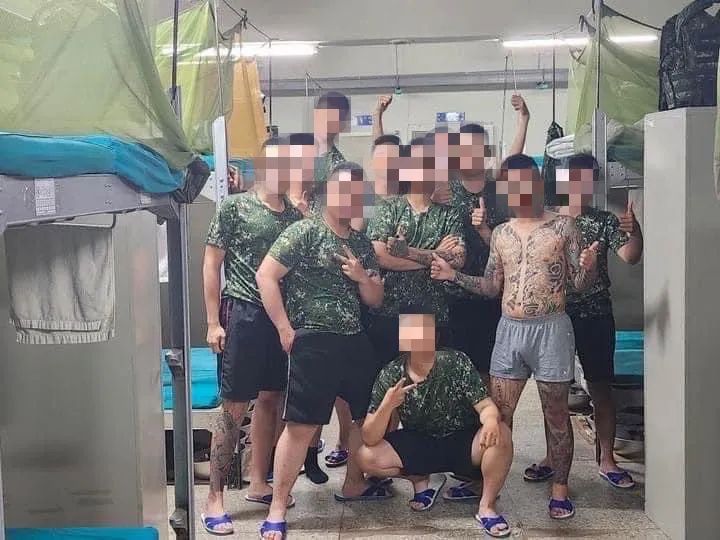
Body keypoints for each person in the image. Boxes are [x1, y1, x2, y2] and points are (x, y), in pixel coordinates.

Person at [430, 153, 599, 520]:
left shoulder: (564, 227)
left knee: (556, 414)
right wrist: (452, 275)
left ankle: (560, 488)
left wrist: (589, 267)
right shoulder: (502, 233)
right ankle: (488, 488)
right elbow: (492, 286)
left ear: (537, 185)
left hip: (552, 330)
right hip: (509, 331)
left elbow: (578, 284)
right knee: (498, 414)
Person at [256, 162, 390, 540]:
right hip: (313, 340)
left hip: (355, 339)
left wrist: (361, 277)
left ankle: (354, 483)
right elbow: (265, 275)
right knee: (301, 426)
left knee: (362, 418)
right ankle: (278, 506)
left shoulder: (361, 244)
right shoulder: (304, 232)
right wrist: (284, 327)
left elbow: (375, 299)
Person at [201, 137, 303, 536]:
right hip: (242, 313)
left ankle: (259, 482)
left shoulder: (293, 216)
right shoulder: (235, 207)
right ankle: (214, 497)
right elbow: (211, 263)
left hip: (280, 318)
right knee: (234, 406)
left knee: (272, 400)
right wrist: (213, 321)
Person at [524, 153, 643, 489]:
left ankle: (607, 460)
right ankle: (552, 458)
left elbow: (631, 256)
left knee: (601, 388)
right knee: (554, 392)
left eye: (587, 178)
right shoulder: (546, 220)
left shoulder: (604, 221)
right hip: (555, 317)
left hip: (595, 315)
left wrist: (635, 231)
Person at [357, 312, 514, 538]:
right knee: (366, 456)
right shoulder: (391, 372)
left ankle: (486, 506)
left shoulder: (455, 362)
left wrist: (490, 420)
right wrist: (387, 406)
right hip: (419, 441)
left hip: (462, 440)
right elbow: (369, 437)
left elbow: (486, 405)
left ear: (435, 336)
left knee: (502, 433)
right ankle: (421, 480)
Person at [440, 96, 531, 382]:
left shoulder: (498, 187)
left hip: (494, 295)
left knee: (493, 373)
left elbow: (513, 160)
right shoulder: (444, 189)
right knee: (454, 374)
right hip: (452, 295)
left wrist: (523, 119)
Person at [365, 136, 466, 367]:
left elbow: (458, 258)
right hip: (391, 313)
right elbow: (380, 255)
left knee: (426, 382)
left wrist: (405, 251)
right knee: (388, 382)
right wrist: (435, 254)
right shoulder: (388, 208)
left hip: (431, 315)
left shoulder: (449, 214)